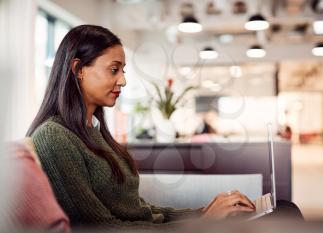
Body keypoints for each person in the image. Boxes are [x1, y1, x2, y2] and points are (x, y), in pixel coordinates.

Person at [26, 25, 301, 231]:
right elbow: (101, 228)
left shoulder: (94, 131)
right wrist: (201, 222)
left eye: (124, 70)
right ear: (78, 69)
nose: (122, 81)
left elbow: (140, 210)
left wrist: (203, 212)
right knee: (285, 215)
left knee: (284, 208)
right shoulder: (54, 137)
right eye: (114, 69)